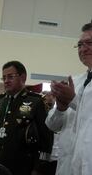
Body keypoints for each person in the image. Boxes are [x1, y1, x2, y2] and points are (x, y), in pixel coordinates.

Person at [0, 61, 53, 175]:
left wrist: (38, 169)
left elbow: (46, 139)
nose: (6, 81)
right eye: (4, 77)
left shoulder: (36, 102)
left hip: (23, 167)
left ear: (23, 77)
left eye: (10, 77)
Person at [48, 21, 92, 175]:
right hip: (67, 164)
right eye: (80, 45)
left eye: (89, 43)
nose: (83, 48)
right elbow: (52, 125)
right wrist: (60, 107)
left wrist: (72, 99)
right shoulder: (75, 81)